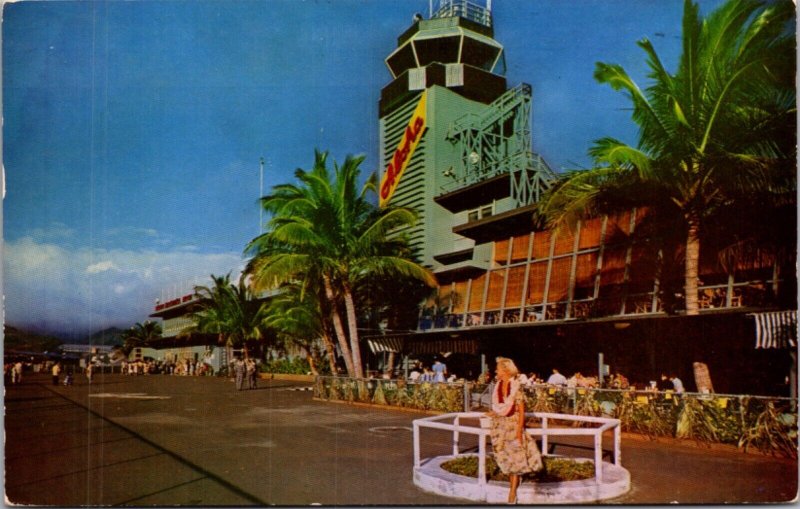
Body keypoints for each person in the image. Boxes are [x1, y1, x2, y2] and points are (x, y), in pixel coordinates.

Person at [486, 357, 543, 504]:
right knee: (504, 457)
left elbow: (521, 410)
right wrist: (493, 413)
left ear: (505, 370)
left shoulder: (516, 386)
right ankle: (514, 481)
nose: (495, 371)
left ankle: (512, 493)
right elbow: (501, 407)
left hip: (513, 427)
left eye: (497, 369)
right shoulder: (498, 385)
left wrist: (519, 431)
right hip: (500, 428)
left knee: (515, 461)